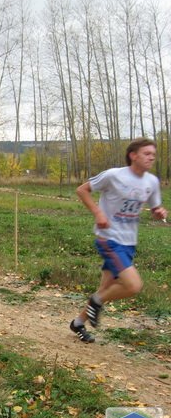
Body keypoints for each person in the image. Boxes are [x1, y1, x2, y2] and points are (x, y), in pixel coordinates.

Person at [70, 137, 168, 343]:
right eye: (147, 154)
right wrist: (98, 213)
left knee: (106, 288)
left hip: (129, 242)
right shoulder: (114, 175)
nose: (151, 157)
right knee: (133, 285)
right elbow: (82, 190)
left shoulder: (152, 181)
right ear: (133, 155)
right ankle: (96, 301)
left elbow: (155, 208)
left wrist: (159, 212)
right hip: (109, 238)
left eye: (153, 154)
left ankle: (78, 323)